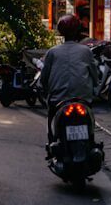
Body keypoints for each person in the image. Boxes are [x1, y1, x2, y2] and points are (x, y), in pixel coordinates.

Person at [40, 14, 100, 144]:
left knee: (51, 121)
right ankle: (91, 142)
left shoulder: (52, 52)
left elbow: (44, 78)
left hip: (58, 100)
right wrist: (96, 87)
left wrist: (44, 89)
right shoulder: (86, 51)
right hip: (83, 99)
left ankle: (52, 143)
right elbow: (95, 76)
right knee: (90, 121)